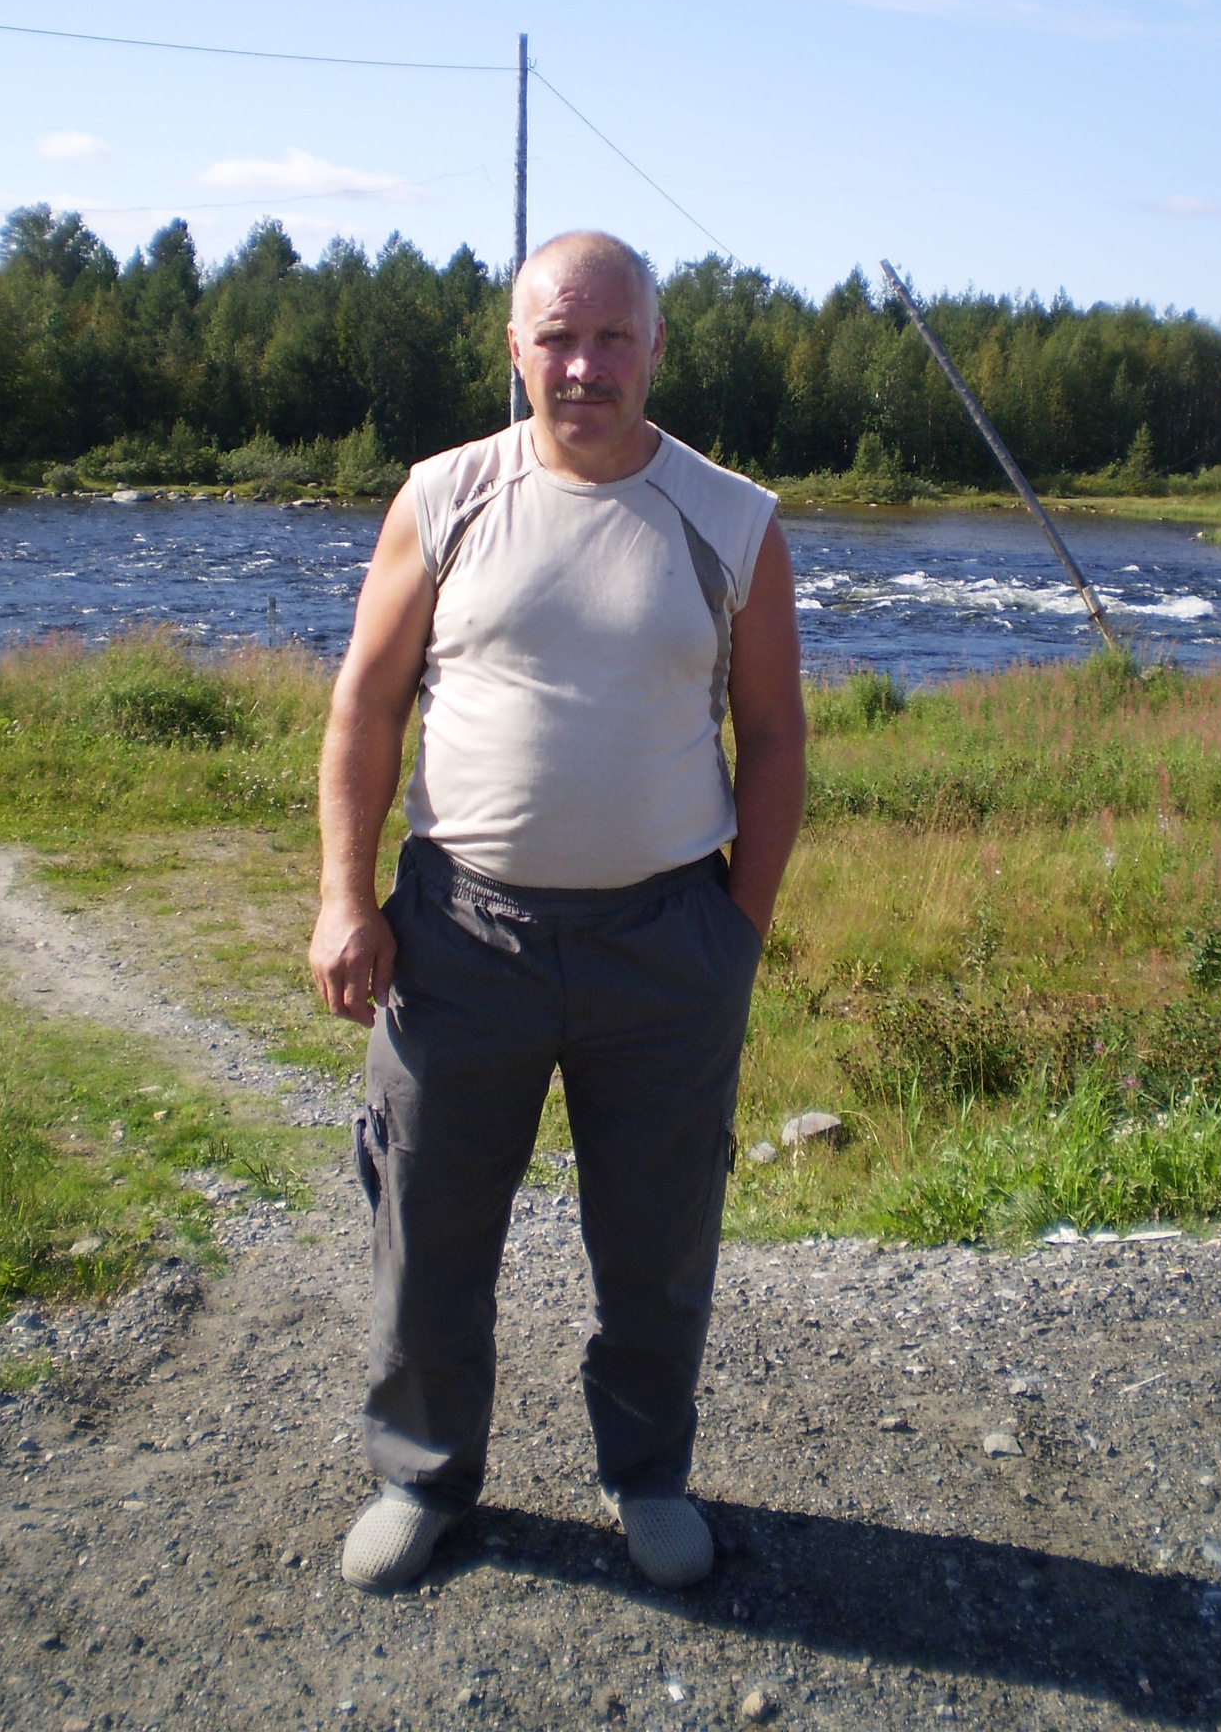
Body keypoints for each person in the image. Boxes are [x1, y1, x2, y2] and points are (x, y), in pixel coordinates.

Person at [309, 229, 806, 1594]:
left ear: (655, 348)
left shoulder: (732, 518)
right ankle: (423, 1476)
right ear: (516, 350)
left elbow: (774, 735)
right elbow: (365, 705)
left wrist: (737, 931)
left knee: (657, 1245)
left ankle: (648, 1477)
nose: (584, 366)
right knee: (428, 1226)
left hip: (668, 946)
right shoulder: (445, 496)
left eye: (612, 338)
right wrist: (345, 896)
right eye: (558, 338)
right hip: (459, 939)